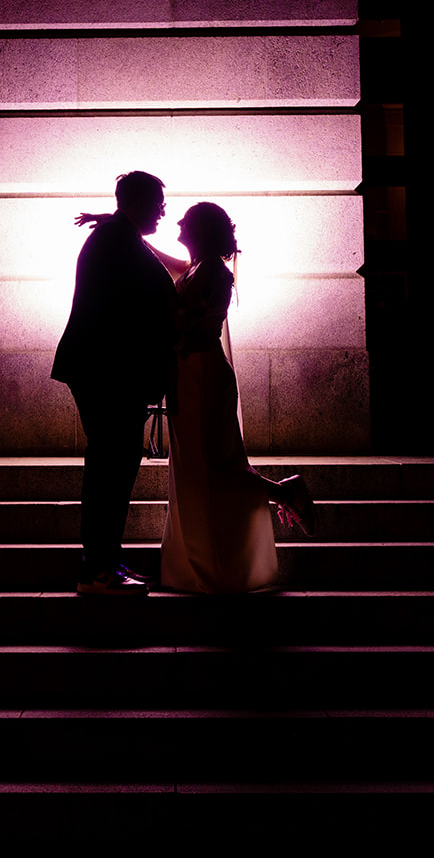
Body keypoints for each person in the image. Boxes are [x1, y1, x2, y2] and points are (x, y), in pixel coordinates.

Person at [156, 202, 316, 594]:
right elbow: (166, 263)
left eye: (186, 220)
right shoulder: (198, 267)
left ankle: (283, 491)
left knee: (216, 465)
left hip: (204, 376)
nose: (177, 223)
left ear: (200, 230)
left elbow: (192, 327)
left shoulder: (213, 272)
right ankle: (209, 559)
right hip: (189, 375)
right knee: (198, 468)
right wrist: (124, 229)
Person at [51, 171, 178, 596]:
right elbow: (146, 303)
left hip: (106, 372)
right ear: (139, 202)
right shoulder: (117, 239)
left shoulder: (120, 235)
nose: (164, 210)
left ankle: (104, 561)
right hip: (108, 374)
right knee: (111, 468)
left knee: (112, 466)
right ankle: (98, 570)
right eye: (159, 202)